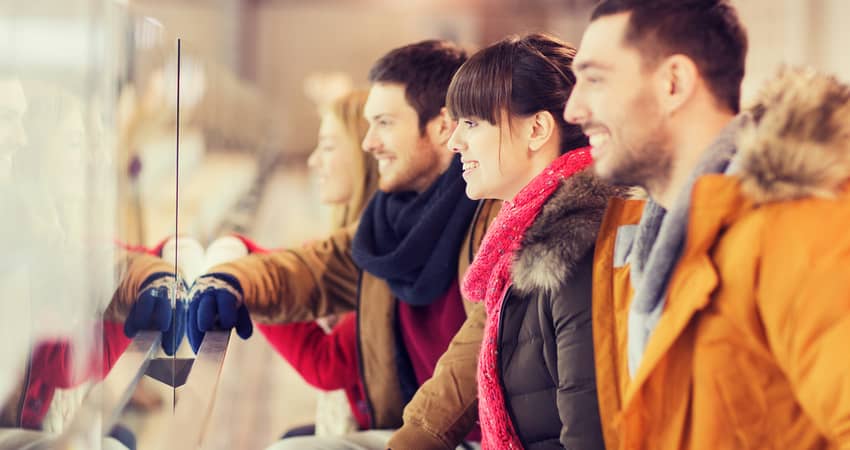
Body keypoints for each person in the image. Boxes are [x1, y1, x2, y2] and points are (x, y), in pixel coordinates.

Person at [188, 40, 501, 449]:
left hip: (469, 438)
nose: (369, 143)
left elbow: (474, 361)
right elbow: (310, 269)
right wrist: (231, 278)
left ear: (442, 125)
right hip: (408, 428)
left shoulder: (489, 219)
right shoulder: (391, 219)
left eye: (385, 123)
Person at [565, 1, 850, 449]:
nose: (573, 109)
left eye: (595, 79)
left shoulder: (799, 229)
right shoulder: (661, 248)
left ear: (673, 83)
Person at [446, 33, 616, 449]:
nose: (454, 142)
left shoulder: (572, 247)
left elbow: (588, 435)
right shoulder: (526, 238)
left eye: (471, 123)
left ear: (537, 128)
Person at [237, 90, 378, 437]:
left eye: (328, 146)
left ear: (367, 155)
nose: (313, 160)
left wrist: (246, 275)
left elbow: (329, 364)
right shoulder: (353, 237)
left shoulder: (384, 249)